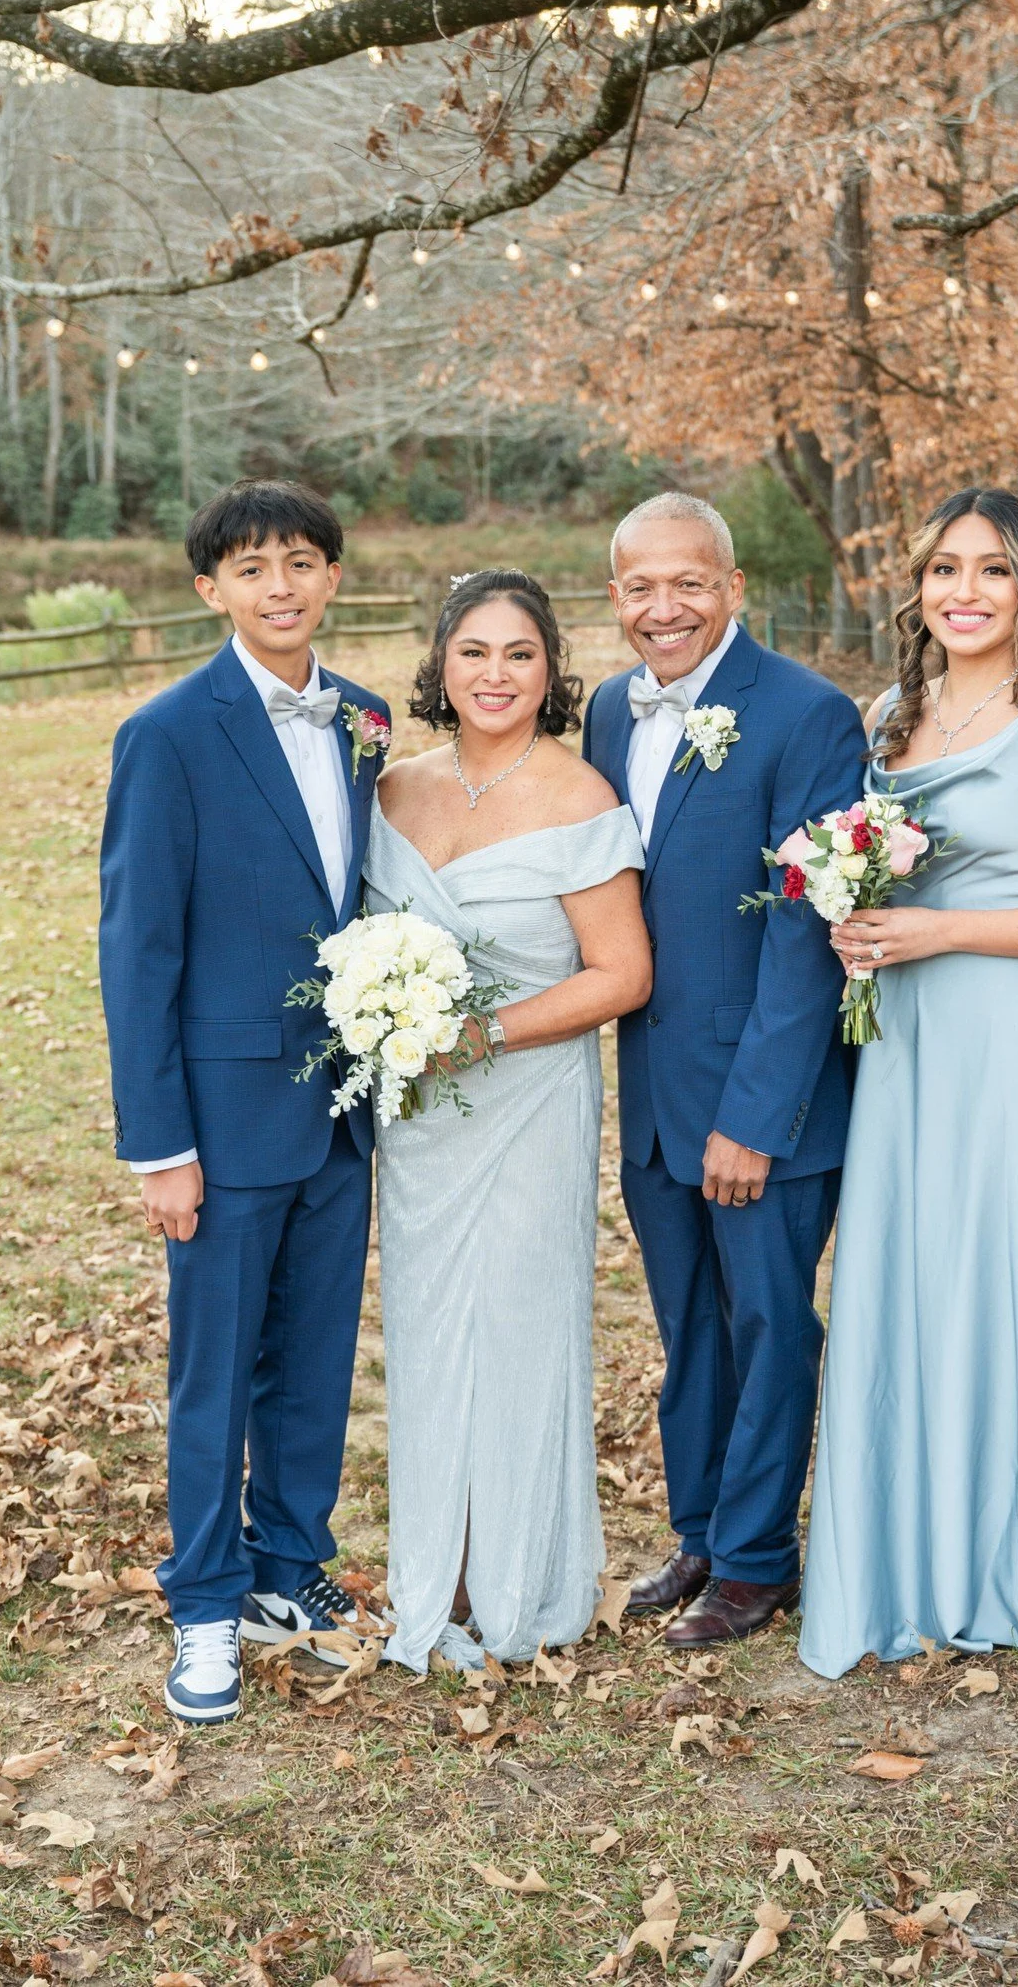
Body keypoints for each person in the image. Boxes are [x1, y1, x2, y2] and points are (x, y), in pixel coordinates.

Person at [799, 486, 1018, 1677]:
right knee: (903, 1275)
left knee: (990, 1272)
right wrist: (857, 919)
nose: (965, 591)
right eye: (946, 567)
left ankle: (998, 1554)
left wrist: (943, 934)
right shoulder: (888, 718)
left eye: (993, 571)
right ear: (919, 585)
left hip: (1000, 1036)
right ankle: (899, 1552)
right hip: (898, 1043)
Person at [99, 479, 390, 1725]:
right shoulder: (168, 733)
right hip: (219, 1118)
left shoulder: (366, 719)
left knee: (318, 1360)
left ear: (331, 577)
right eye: (255, 566)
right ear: (211, 587)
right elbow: (137, 947)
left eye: (304, 561)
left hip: (343, 1106)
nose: (283, 585)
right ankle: (206, 1603)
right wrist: (161, 1143)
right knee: (216, 1372)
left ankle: (289, 1567)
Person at [583, 493, 868, 1647]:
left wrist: (755, 1119)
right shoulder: (608, 711)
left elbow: (807, 939)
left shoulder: (808, 715)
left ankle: (758, 1558)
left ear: (734, 586)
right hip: (653, 1093)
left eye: (689, 582)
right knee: (688, 1327)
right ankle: (699, 1529)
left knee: (769, 1325)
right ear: (614, 598)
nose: (667, 607)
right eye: (642, 587)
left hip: (767, 1099)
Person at [365, 569, 652, 1672]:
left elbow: (622, 974)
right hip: (418, 1121)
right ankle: (438, 1568)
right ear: (441, 664)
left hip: (528, 1102)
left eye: (519, 653)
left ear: (551, 671)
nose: (495, 673)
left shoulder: (578, 796)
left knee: (521, 1327)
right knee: (431, 1333)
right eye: (474, 651)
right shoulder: (392, 789)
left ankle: (518, 1580)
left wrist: (481, 1036)